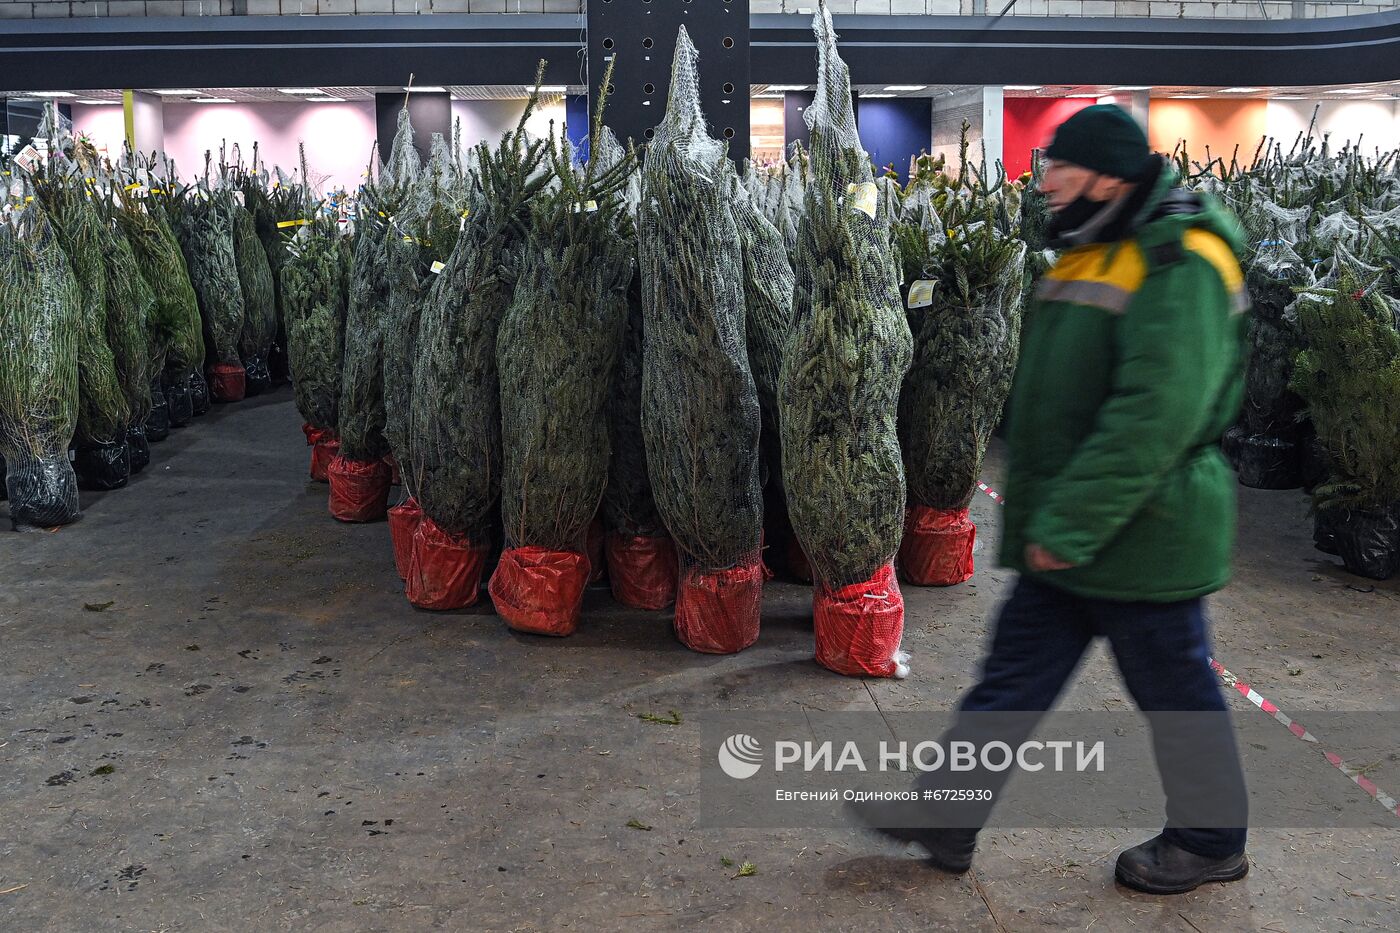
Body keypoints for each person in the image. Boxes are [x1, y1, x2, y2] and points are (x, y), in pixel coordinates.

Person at [849, 104, 1251, 895]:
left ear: (1104, 174)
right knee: (1013, 675)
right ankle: (947, 811)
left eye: (1058, 171)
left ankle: (1210, 838)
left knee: (1174, 690)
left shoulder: (1181, 260)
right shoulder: (1096, 243)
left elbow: (1154, 414)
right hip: (1079, 520)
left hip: (1146, 527)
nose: (1047, 186)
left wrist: (1070, 519)